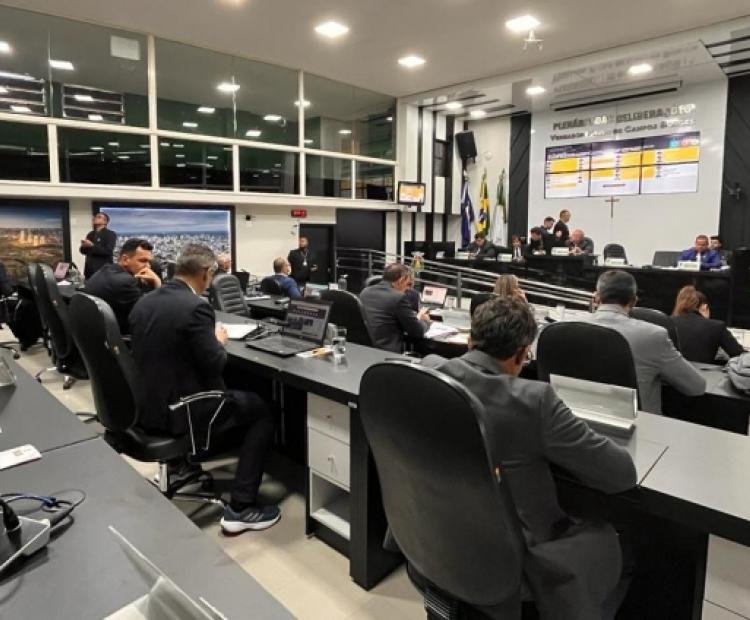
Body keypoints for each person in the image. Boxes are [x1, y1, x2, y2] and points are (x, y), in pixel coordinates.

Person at [423, 297, 637, 620]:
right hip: (516, 554)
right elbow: (621, 474)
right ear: (523, 354)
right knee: (623, 547)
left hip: (441, 531)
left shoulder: (430, 369)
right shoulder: (534, 401)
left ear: (470, 339)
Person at [129, 244, 279, 533]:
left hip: (146, 406)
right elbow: (215, 364)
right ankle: (242, 507)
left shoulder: (144, 302)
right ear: (206, 273)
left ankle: (180, 465)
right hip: (181, 411)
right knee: (261, 410)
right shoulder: (196, 307)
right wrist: (218, 341)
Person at [587, 270, 705, 413]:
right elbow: (697, 387)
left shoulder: (567, 326)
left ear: (596, 298)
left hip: (580, 419)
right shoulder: (654, 335)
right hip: (638, 424)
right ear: (634, 301)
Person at [84, 238, 162, 334]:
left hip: (94, 333)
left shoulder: (105, 270)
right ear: (125, 260)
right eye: (143, 261)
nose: (148, 266)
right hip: (119, 337)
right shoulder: (126, 282)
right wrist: (158, 283)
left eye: (149, 262)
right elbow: (155, 314)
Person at [360, 263, 430, 353]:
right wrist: (424, 320)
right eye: (409, 284)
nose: (409, 289)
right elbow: (417, 332)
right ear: (401, 280)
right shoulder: (398, 297)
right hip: (388, 352)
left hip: (366, 350)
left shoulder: (365, 292)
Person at [671, 285, 744, 364]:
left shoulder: (668, 322)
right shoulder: (717, 326)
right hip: (701, 371)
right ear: (704, 307)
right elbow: (740, 355)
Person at [80, 212, 117, 279]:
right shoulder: (90, 234)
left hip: (103, 271)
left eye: (99, 217)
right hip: (89, 271)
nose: (95, 218)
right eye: (95, 217)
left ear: (105, 222)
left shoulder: (110, 234)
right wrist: (83, 246)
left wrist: (92, 246)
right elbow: (83, 252)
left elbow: (108, 251)